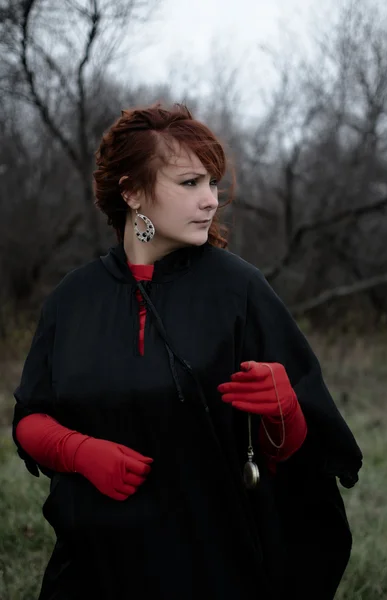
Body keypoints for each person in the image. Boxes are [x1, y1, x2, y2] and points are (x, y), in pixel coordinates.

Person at [12, 103, 363, 600]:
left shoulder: (238, 289)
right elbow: (30, 419)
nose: (210, 201)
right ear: (131, 191)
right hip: (95, 565)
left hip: (212, 562)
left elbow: (300, 459)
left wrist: (285, 412)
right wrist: (78, 452)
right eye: (190, 183)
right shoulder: (73, 299)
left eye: (212, 184)